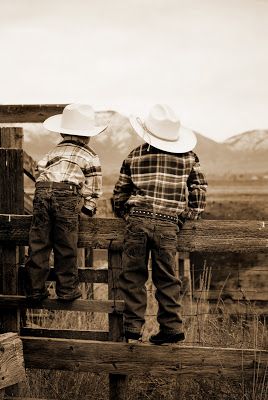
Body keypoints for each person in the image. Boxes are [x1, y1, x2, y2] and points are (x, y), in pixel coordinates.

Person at [113, 104, 208, 345]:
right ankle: (172, 327)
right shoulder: (189, 157)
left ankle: (133, 328)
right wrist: (189, 213)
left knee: (133, 275)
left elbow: (120, 192)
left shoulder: (134, 155)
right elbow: (198, 187)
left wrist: (126, 214)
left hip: (138, 220)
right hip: (168, 225)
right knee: (167, 277)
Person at [25, 103, 108, 302]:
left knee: (39, 242)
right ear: (88, 135)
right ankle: (67, 289)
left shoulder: (52, 152)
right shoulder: (89, 155)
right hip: (67, 194)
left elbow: (39, 170)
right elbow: (94, 186)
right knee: (66, 244)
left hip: (43, 192)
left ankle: (35, 289)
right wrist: (88, 207)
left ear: (62, 133)